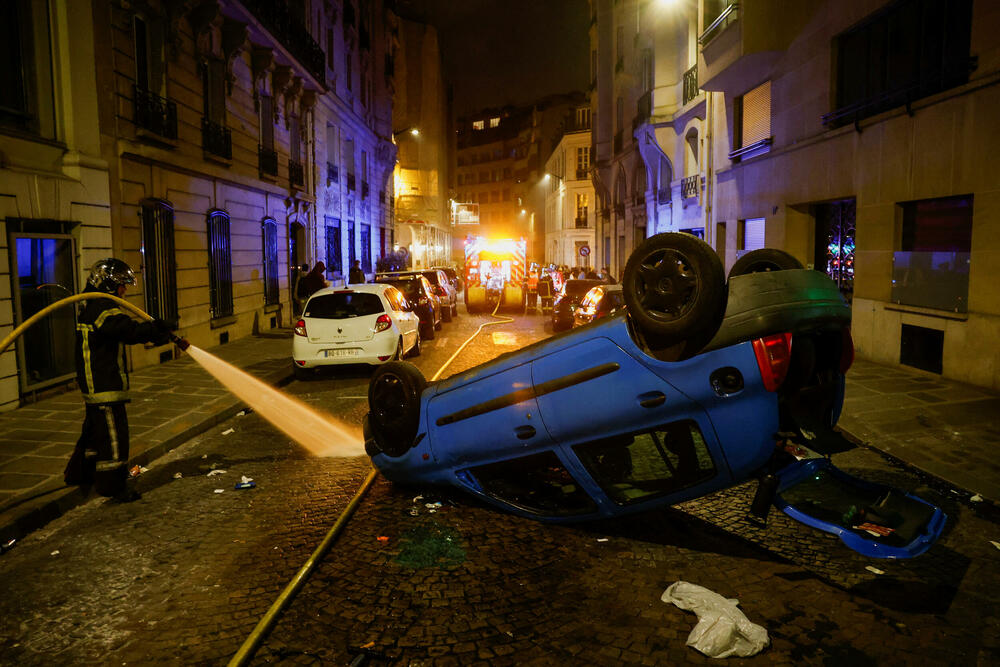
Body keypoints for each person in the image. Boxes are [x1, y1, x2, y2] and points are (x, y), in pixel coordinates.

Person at [64, 259, 176, 502]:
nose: (124, 291)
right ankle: (113, 487)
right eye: (121, 286)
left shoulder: (93, 304)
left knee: (96, 432)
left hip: (98, 381)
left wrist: (156, 332)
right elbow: (127, 330)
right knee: (114, 437)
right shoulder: (102, 307)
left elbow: (122, 331)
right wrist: (155, 328)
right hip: (103, 383)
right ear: (107, 284)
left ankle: (81, 474)